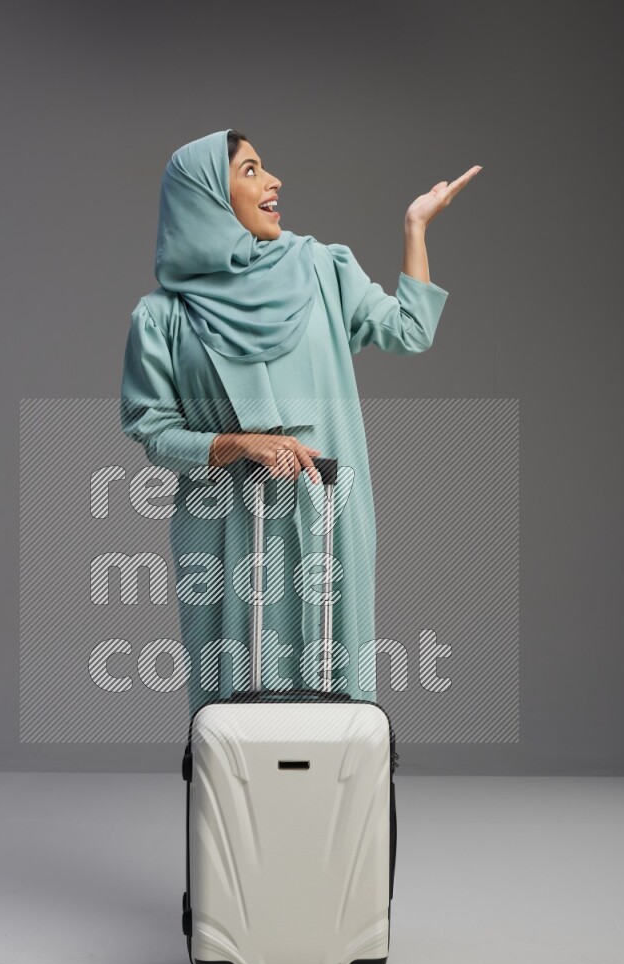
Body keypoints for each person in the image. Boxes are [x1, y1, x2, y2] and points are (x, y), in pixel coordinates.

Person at [120, 128, 480, 720]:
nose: (274, 181)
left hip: (328, 509)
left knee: (335, 677)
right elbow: (151, 430)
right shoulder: (163, 318)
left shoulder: (318, 267)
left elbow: (409, 331)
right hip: (225, 526)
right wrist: (236, 444)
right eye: (251, 170)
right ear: (206, 196)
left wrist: (415, 227)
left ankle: (338, 783)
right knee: (235, 691)